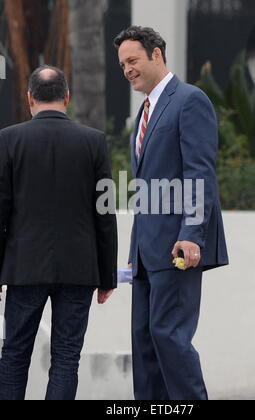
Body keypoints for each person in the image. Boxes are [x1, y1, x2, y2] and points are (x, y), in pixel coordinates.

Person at [114, 26, 228, 400]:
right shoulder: (147, 110)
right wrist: (133, 255)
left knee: (170, 338)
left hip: (177, 248)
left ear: (157, 55)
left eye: (133, 60)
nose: (127, 69)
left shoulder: (189, 100)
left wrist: (192, 235)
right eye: (122, 64)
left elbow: (200, 173)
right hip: (147, 254)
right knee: (145, 343)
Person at [0, 65, 118, 400]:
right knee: (67, 358)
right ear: (67, 97)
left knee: (13, 356)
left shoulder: (8, 139)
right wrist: (107, 274)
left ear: (29, 99)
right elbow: (105, 213)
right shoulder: (94, 141)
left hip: (24, 268)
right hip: (79, 270)